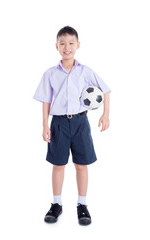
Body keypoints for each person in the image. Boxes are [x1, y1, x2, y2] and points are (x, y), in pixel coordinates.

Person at [33, 26, 111, 225]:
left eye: (71, 43)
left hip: (80, 122)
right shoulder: (50, 73)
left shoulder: (85, 71)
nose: (67, 47)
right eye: (62, 43)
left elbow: (106, 90)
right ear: (57, 46)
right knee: (58, 164)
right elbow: (45, 100)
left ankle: (82, 205)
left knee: (81, 165)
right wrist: (45, 125)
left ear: (78, 45)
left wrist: (105, 114)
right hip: (58, 123)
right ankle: (56, 204)